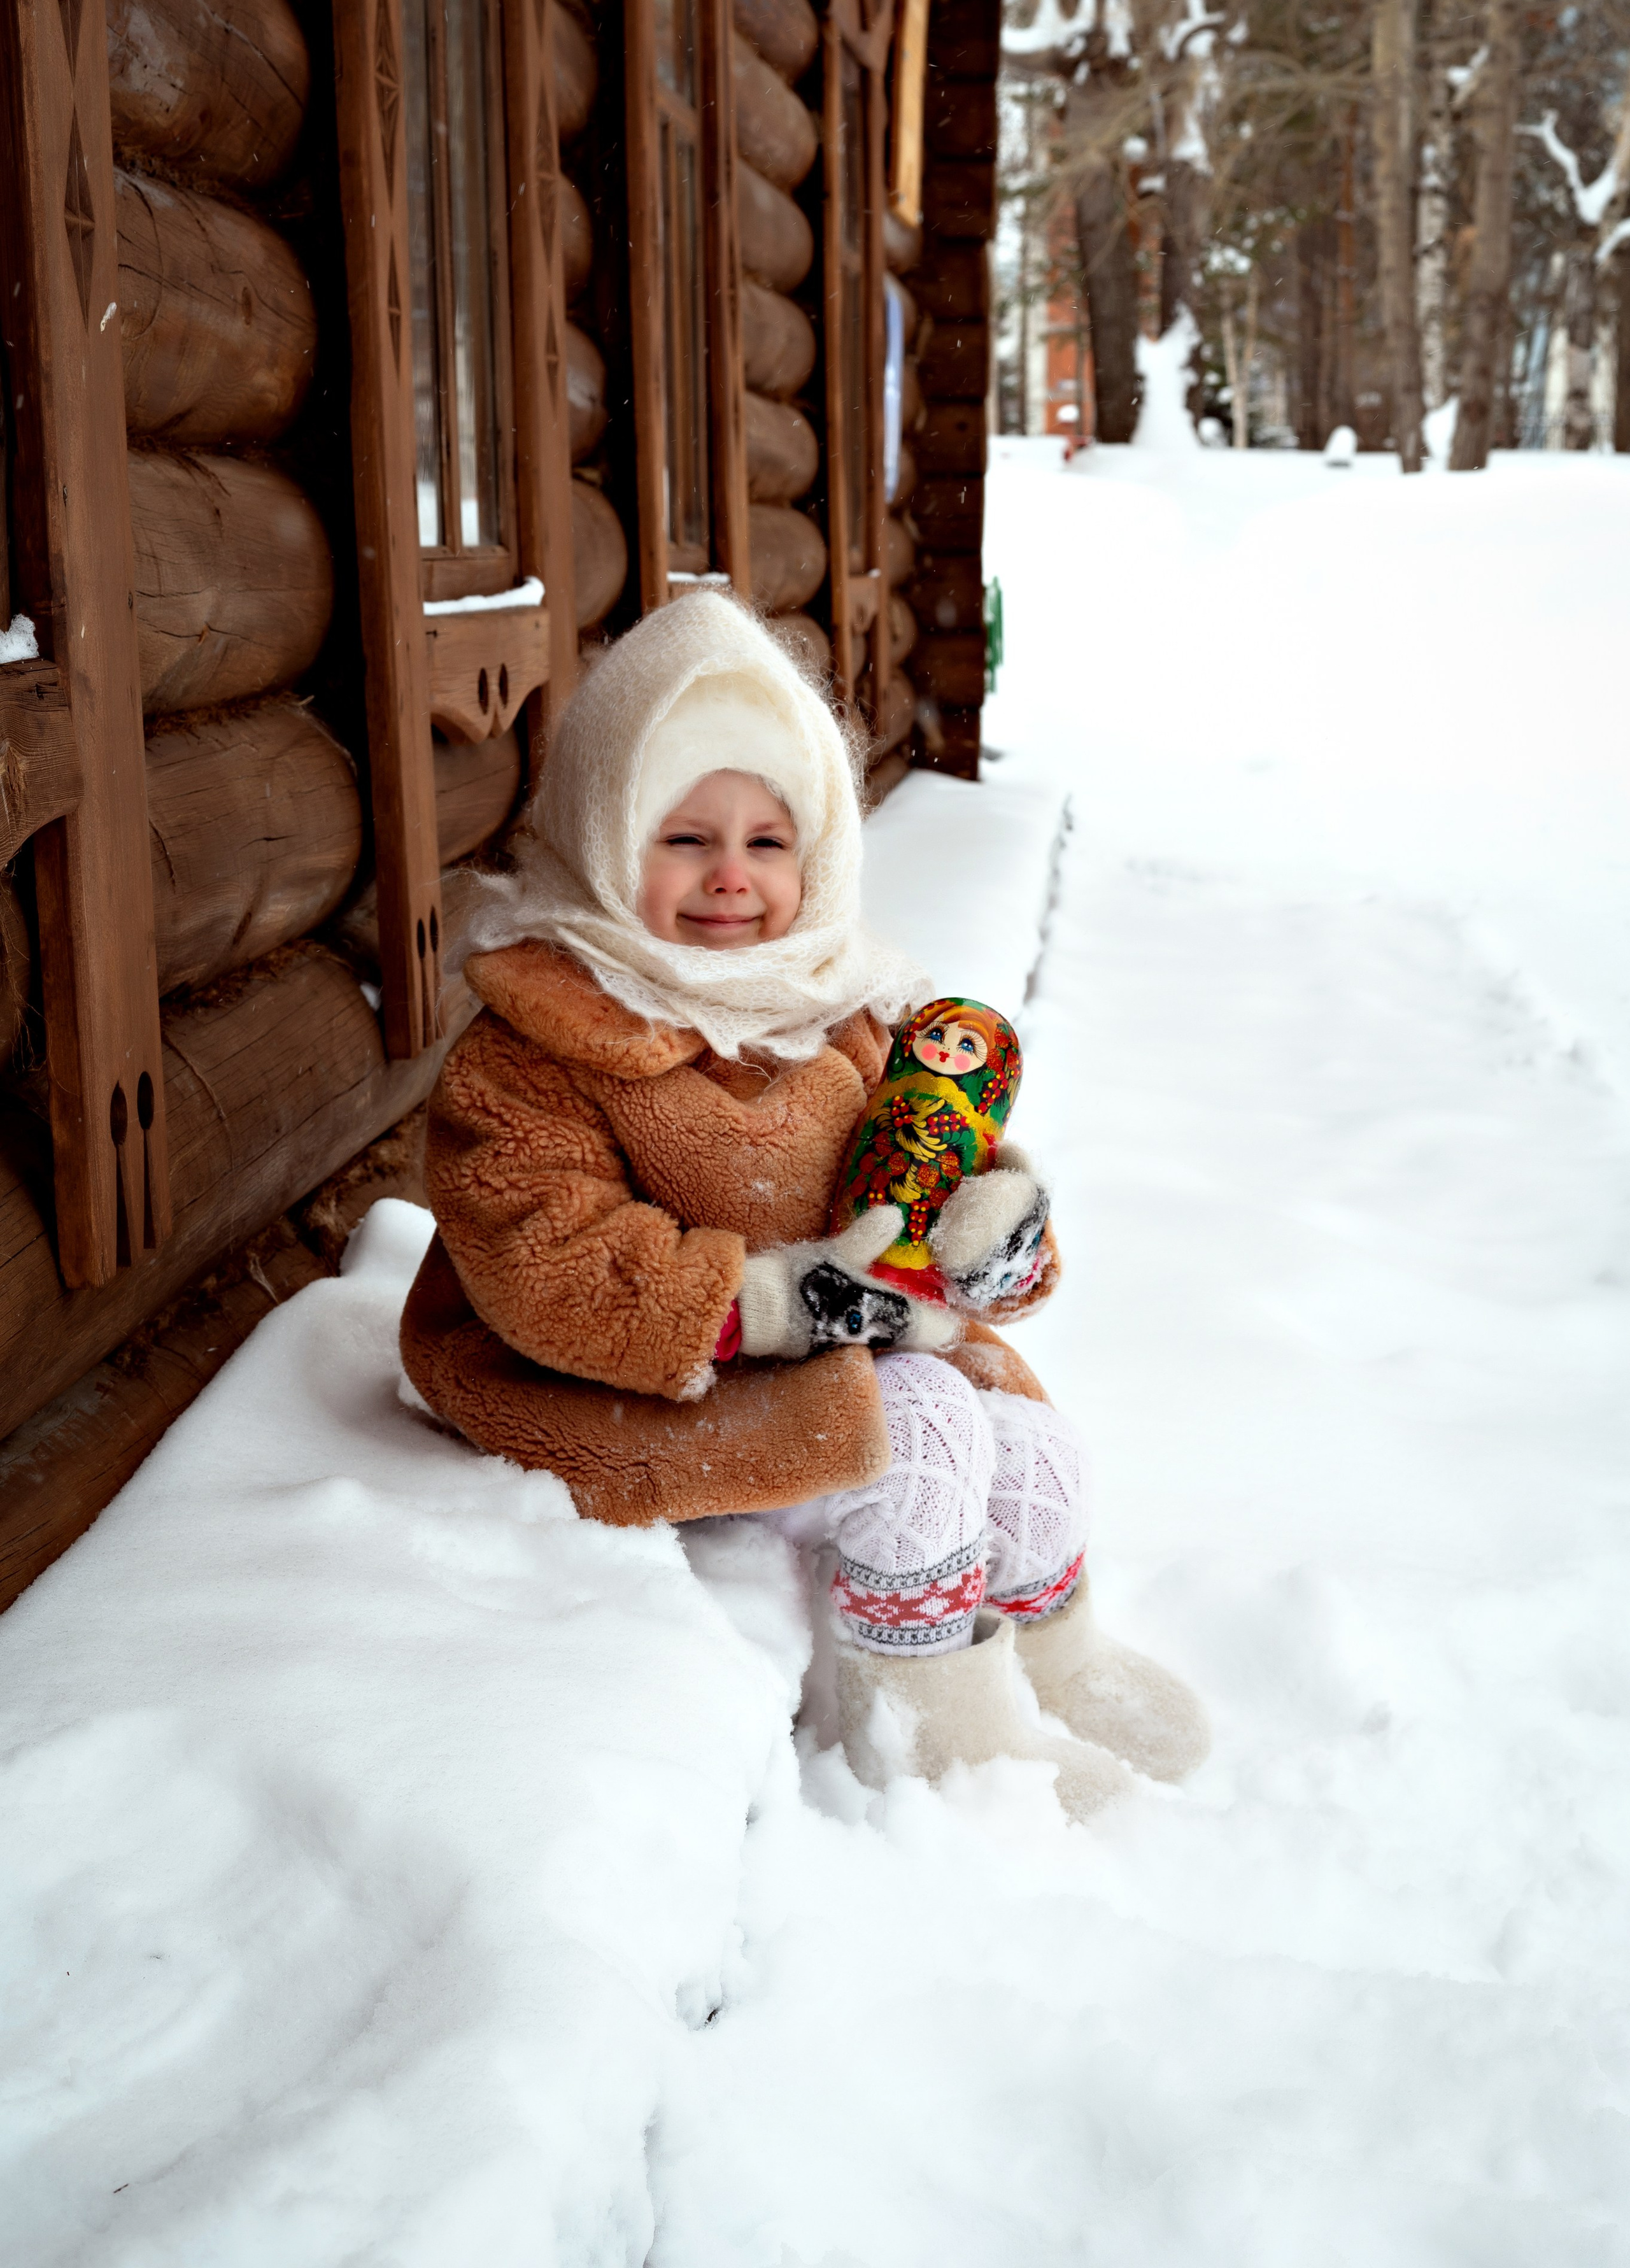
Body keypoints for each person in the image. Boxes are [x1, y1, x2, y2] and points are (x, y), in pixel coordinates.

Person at [400, 590, 1207, 1819]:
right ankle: (930, 1736)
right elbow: (544, 1259)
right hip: (634, 1384)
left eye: (769, 843)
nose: (732, 878)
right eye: (684, 838)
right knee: (926, 1423)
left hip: (853, 1345)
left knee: (1034, 1451)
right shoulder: (537, 1042)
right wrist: (770, 1304)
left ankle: (1055, 1660)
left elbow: (921, 1163)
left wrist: (991, 1236)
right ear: (605, 841)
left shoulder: (833, 1005)